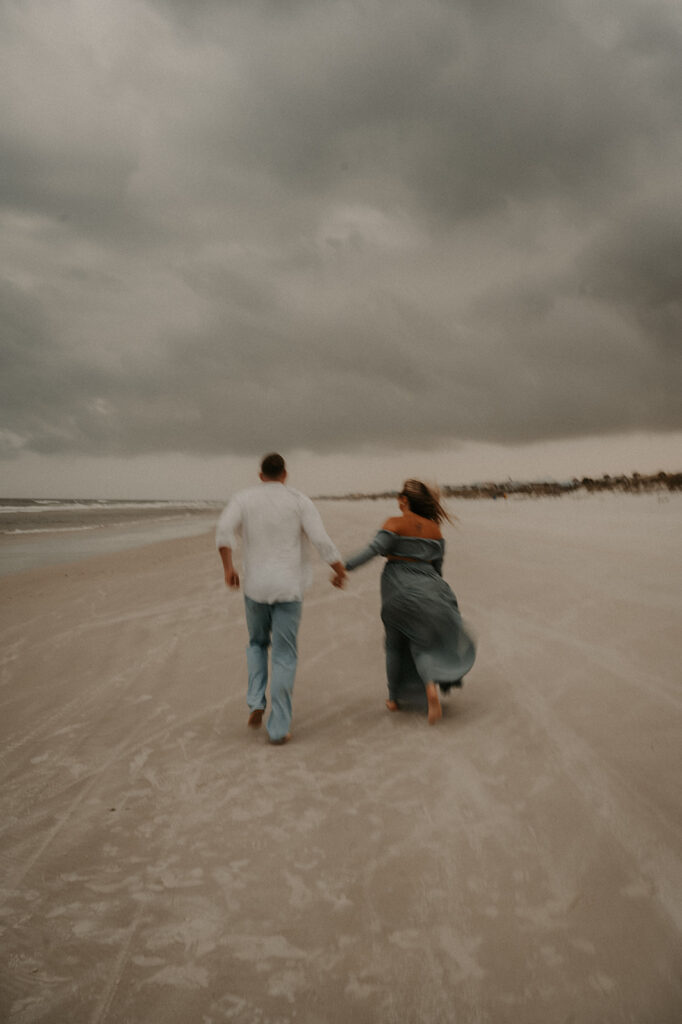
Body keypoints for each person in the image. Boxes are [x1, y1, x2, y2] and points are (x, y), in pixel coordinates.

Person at [216, 453, 346, 745]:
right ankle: (278, 727)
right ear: (285, 474)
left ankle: (255, 701)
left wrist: (228, 569)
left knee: (257, 644)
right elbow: (320, 539)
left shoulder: (243, 498)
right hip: (289, 589)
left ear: (261, 475)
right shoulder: (299, 500)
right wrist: (339, 569)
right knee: (285, 655)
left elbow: (224, 530)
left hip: (256, 589)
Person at [338, 479, 475, 724]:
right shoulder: (435, 529)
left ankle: (393, 698)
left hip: (397, 590)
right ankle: (430, 687)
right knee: (422, 645)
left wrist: (343, 567)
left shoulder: (394, 523)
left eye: (399, 499)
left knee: (393, 644)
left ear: (404, 501)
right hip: (431, 589)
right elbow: (438, 568)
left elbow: (371, 551)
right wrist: (434, 597)